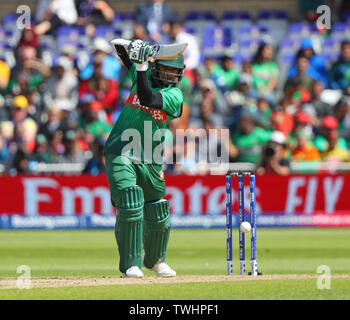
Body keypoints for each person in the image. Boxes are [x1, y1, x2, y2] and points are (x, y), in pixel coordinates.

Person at [104, 38, 186, 278]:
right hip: (122, 149)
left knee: (158, 209)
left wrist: (141, 66)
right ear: (156, 66)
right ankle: (131, 264)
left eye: (175, 71)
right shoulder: (144, 72)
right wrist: (141, 48)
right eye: (167, 69)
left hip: (150, 156)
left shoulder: (175, 95)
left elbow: (148, 98)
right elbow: (117, 45)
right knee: (130, 201)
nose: (171, 75)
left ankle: (156, 261)